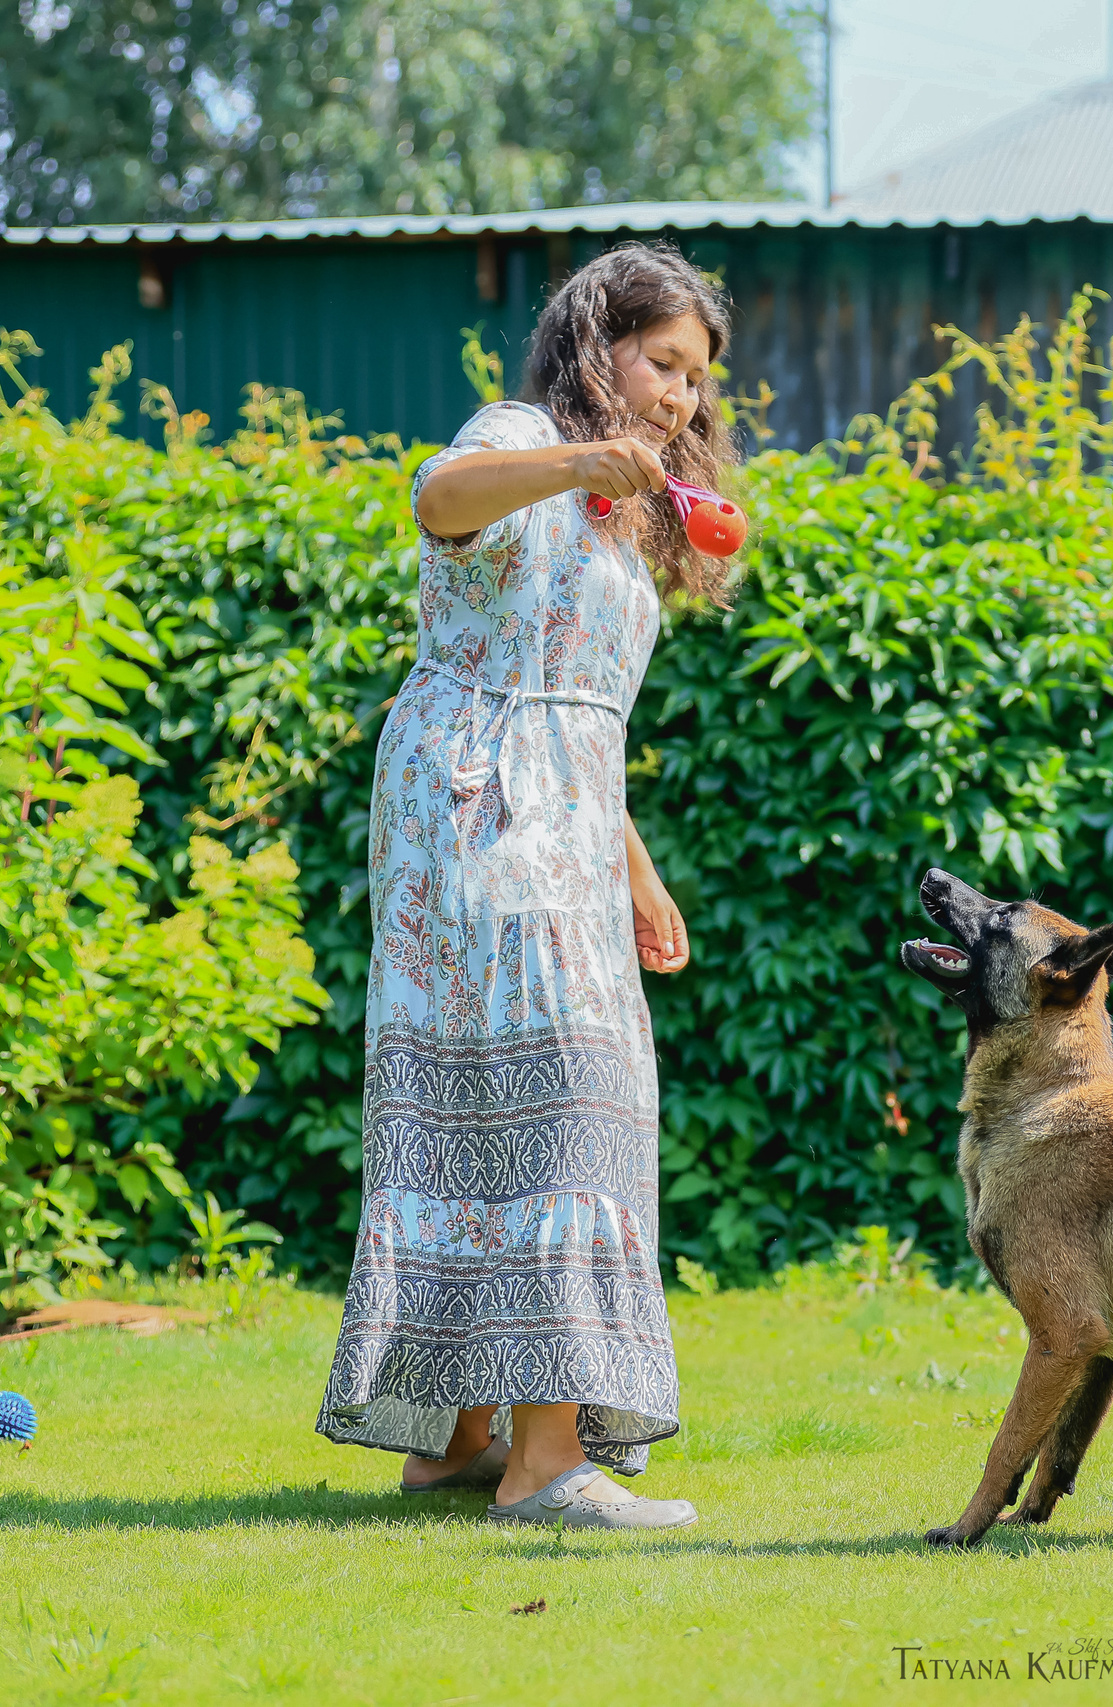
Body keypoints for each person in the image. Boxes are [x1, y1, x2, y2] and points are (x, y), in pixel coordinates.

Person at [313, 242, 735, 1530]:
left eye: (697, 380)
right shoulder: (521, 434)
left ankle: (456, 1437)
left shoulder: (625, 510)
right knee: (563, 1080)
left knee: (499, 1078)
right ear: (599, 345)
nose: (681, 398)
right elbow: (437, 496)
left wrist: (640, 872)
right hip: (475, 799)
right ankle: (548, 1465)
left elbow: (582, 709)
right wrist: (576, 459)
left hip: (562, 806)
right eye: (662, 364)